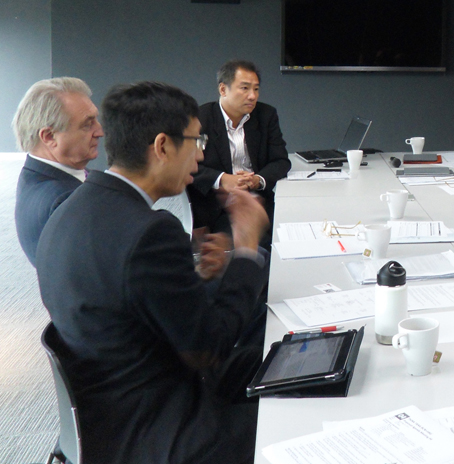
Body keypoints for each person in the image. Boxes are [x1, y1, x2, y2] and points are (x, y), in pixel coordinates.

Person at [34, 81, 270, 464]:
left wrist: (199, 278)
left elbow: (138, 303)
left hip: (114, 406)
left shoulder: (71, 209)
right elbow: (209, 348)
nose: (201, 156)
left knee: (275, 360)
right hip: (159, 426)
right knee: (298, 417)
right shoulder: (150, 232)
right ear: (162, 146)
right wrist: (245, 250)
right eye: (196, 141)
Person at [188, 59, 290, 237]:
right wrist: (222, 179)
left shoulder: (266, 115)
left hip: (257, 201)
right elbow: (185, 166)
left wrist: (257, 180)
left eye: (256, 89)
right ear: (223, 89)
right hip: (215, 206)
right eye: (244, 88)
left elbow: (281, 160)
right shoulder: (200, 119)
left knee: (285, 236)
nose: (252, 96)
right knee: (243, 241)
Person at [12, 77, 103, 265]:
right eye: (87, 124)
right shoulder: (64, 200)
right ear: (49, 136)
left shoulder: (34, 176)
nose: (99, 131)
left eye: (96, 120)